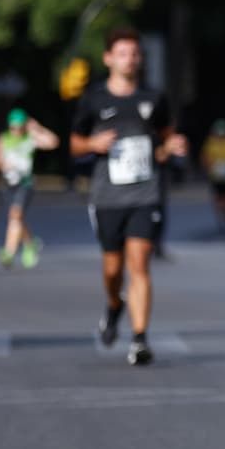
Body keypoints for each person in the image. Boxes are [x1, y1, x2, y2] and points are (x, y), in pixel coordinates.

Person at [70, 26, 187, 366]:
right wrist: (93, 143)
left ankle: (139, 338)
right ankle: (114, 304)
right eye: (123, 53)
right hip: (107, 196)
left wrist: (172, 146)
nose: (130, 59)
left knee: (139, 264)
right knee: (112, 270)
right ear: (108, 58)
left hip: (145, 194)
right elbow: (75, 144)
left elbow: (166, 139)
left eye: (135, 54)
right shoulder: (94, 99)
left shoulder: (154, 98)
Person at [0, 108, 60, 267]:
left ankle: (9, 252)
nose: (15, 130)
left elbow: (53, 142)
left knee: (15, 214)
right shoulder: (4, 138)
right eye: (13, 127)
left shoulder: (30, 138)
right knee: (16, 217)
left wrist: (37, 128)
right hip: (9, 183)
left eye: (18, 127)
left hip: (25, 183)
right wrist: (4, 165)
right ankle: (30, 244)